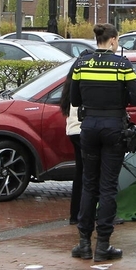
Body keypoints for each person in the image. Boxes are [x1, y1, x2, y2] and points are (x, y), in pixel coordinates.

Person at [69, 23, 136, 262]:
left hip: (89, 127)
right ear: (113, 40)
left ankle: (83, 244)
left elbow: (74, 98)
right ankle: (103, 246)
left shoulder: (81, 63)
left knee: (89, 184)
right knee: (108, 186)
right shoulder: (122, 64)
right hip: (113, 127)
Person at [60, 48, 94, 225]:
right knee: (90, 174)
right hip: (83, 131)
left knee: (80, 173)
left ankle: (75, 214)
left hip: (73, 130)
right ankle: (85, 215)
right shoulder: (84, 78)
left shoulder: (71, 80)